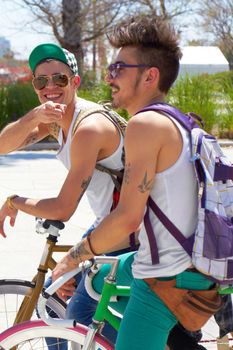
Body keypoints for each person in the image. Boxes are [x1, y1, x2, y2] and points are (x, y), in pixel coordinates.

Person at [52, 16, 223, 350]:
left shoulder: (145, 124)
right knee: (95, 278)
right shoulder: (178, 120)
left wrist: (71, 258)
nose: (109, 77)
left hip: (165, 275)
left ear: (150, 76)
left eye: (118, 68)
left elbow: (127, 218)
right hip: (191, 259)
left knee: (84, 275)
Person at [0, 42, 133, 344]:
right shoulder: (57, 122)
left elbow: (62, 209)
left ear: (75, 82)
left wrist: (15, 202)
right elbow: (3, 145)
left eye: (59, 79)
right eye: (40, 81)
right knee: (59, 297)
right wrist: (33, 117)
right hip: (111, 223)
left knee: (70, 312)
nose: (50, 87)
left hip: (129, 227)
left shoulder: (88, 127)